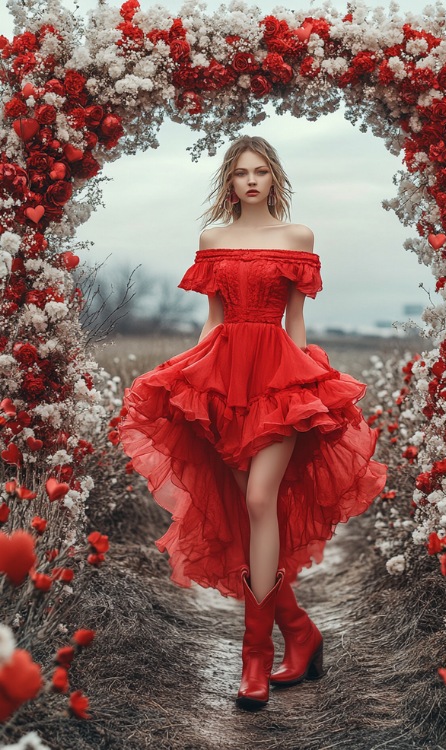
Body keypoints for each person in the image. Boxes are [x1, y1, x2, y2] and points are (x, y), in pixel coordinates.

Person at [117, 135, 388, 711]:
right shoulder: (212, 240)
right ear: (229, 181)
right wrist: (187, 381)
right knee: (248, 512)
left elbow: (296, 323)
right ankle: (299, 632)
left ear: (274, 178)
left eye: (261, 171)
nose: (251, 181)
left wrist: (302, 385)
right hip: (223, 383)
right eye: (241, 172)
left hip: (279, 383)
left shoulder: (297, 238)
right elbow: (212, 323)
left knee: (261, 501)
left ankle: (254, 661)